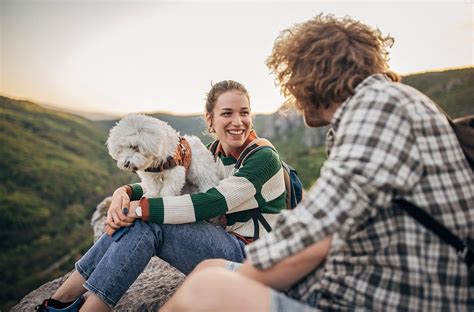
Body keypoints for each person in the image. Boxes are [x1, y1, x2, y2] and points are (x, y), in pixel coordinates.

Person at [161, 14, 474, 311]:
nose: (292, 93)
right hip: (363, 276)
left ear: (310, 77)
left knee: (206, 289)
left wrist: (235, 283)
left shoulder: (378, 108)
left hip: (383, 298)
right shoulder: (385, 102)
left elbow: (319, 223)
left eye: (292, 79)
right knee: (209, 268)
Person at [35, 80, 287, 311]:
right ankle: (62, 299)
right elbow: (164, 180)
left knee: (150, 219)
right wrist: (124, 193)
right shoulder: (214, 153)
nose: (238, 121)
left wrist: (139, 209)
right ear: (210, 120)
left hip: (249, 259)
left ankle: (84, 308)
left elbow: (212, 203)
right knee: (142, 215)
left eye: (244, 112)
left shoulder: (263, 158)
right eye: (227, 113)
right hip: (221, 244)